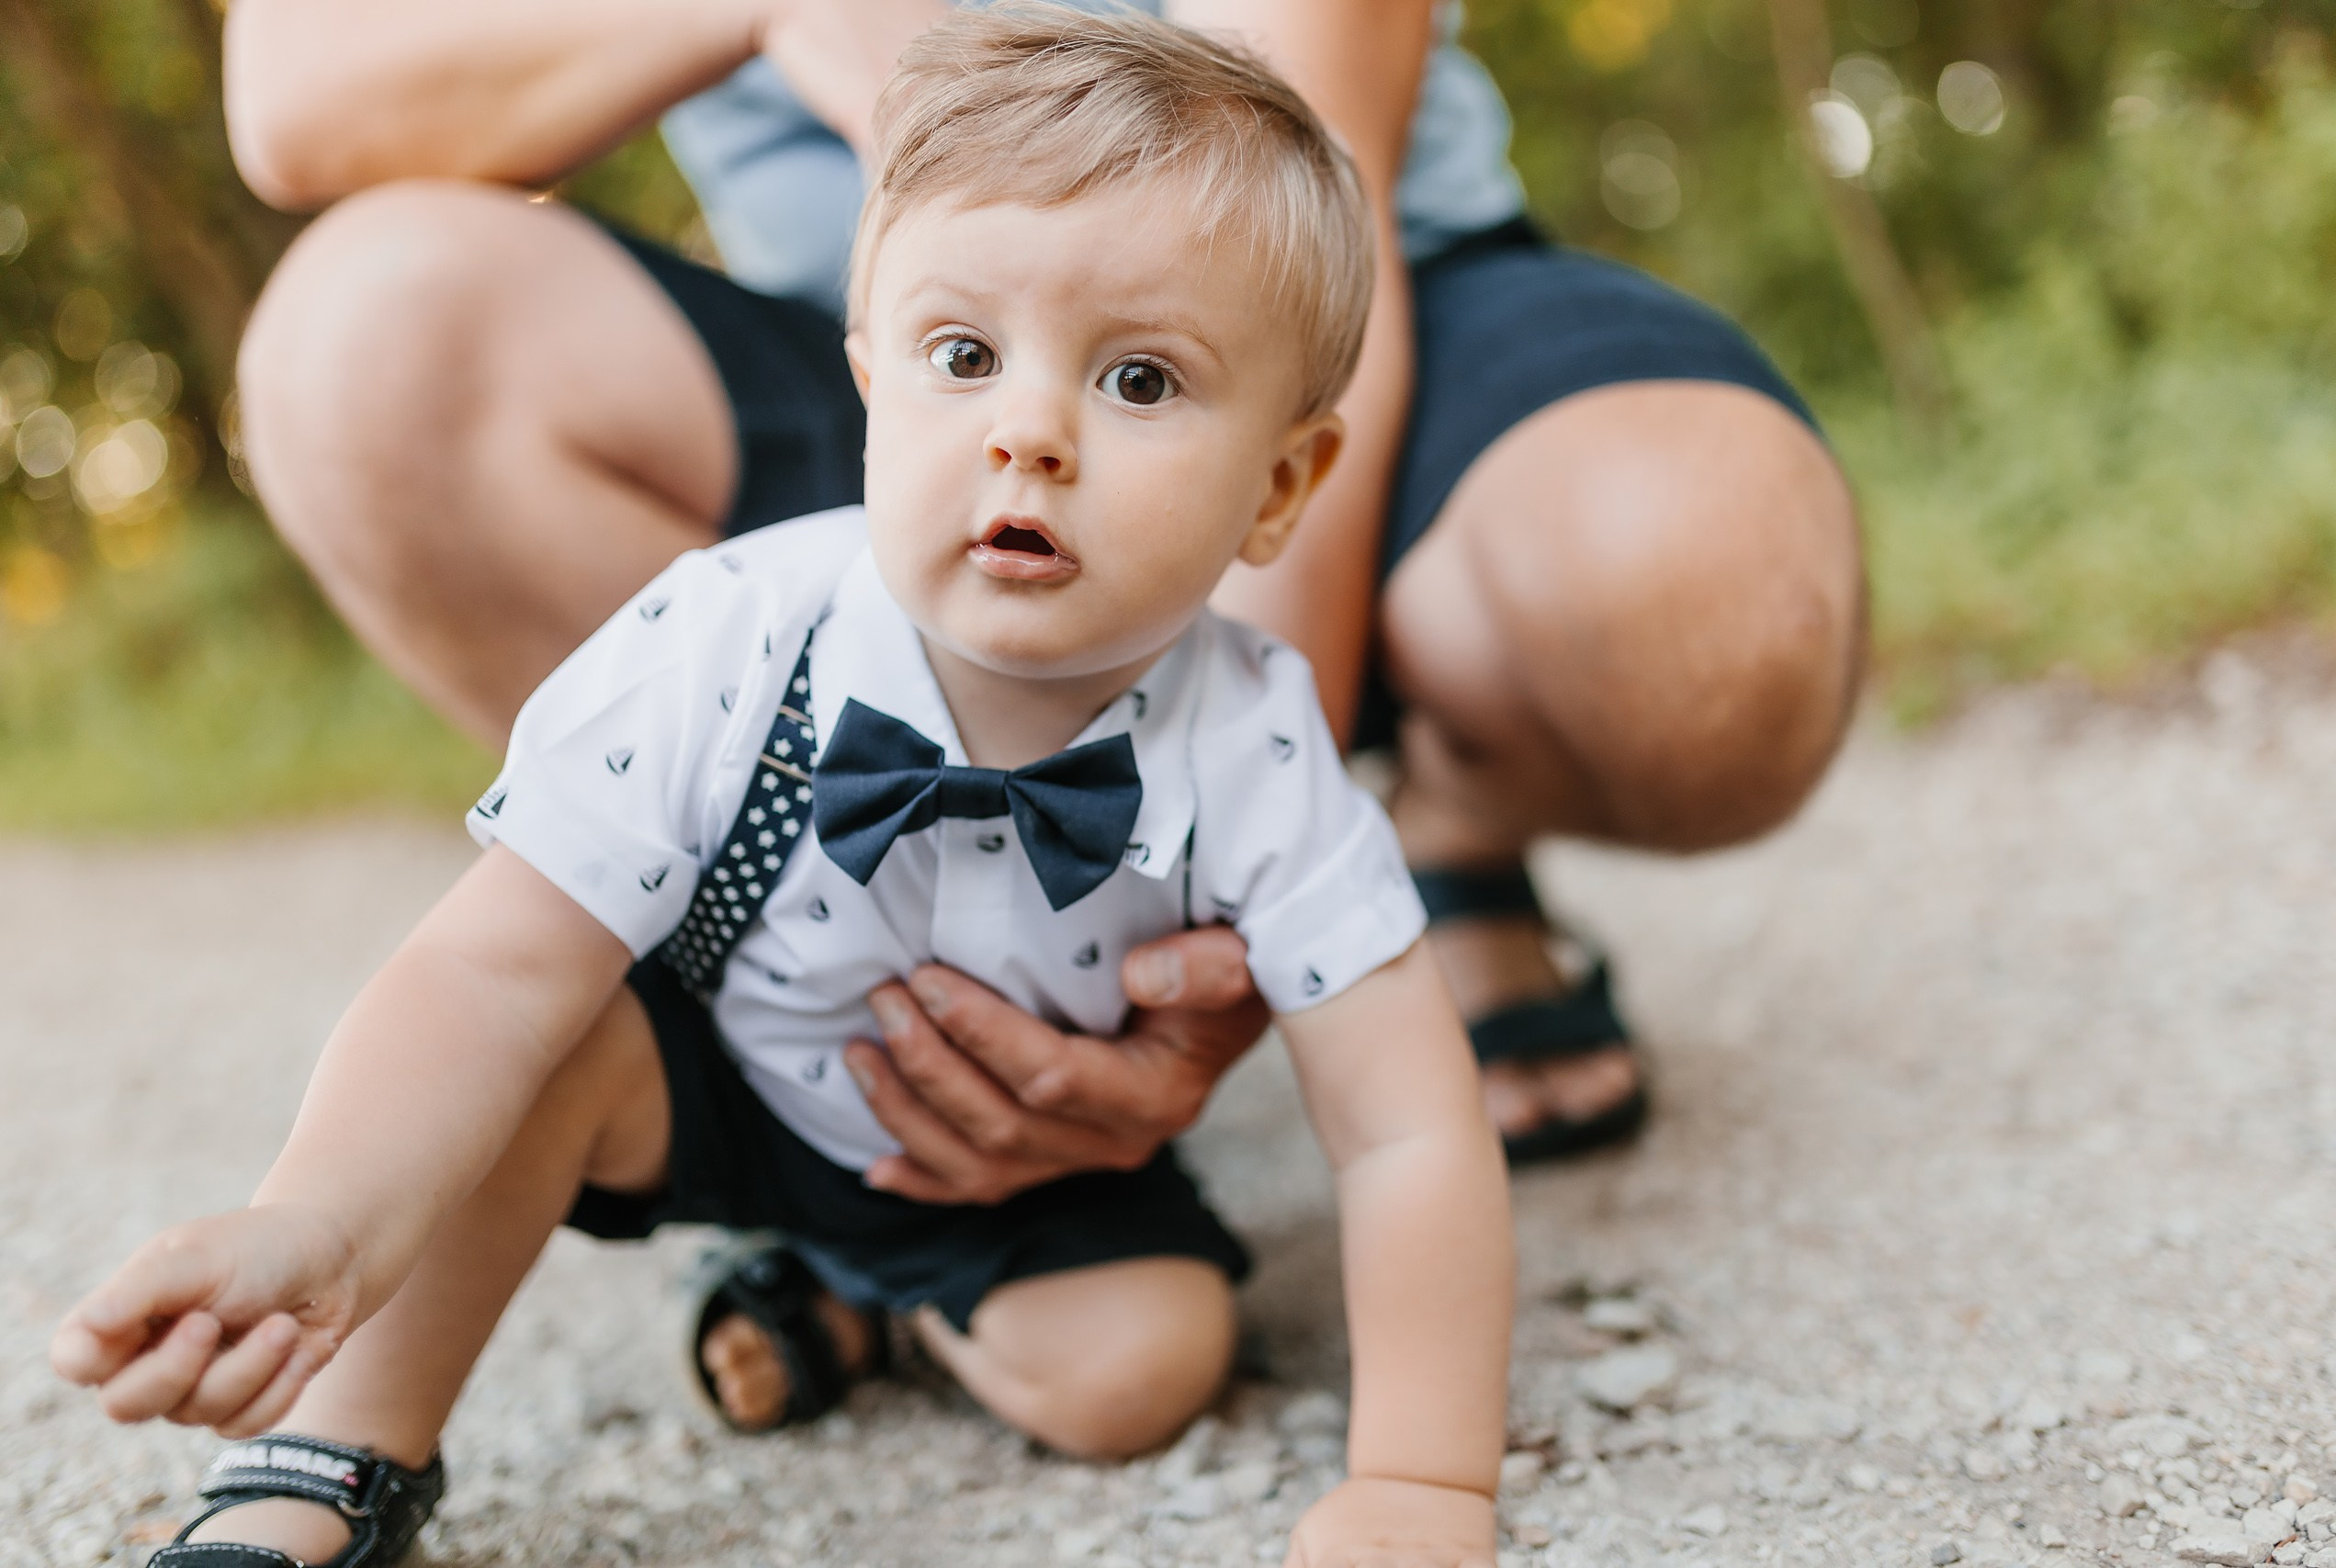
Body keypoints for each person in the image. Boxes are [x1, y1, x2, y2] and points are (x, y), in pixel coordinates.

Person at [53, 17, 1516, 1564]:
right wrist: (319, 1220)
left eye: (1141, 378)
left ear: (1283, 485)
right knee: (538, 1049)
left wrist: (1424, 1482)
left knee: (1145, 1360)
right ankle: (332, 1456)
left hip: (1002, 1143)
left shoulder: (1259, 743)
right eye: (964, 356)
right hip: (718, 1072)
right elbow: (484, 968)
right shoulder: (730, 630)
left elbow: (1408, 1129)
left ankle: (860, 1302)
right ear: (873, 384)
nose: (1030, 430)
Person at [221, 0, 1863, 1200]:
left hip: (1323, 291)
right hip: (909, 368)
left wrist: (1209, 955)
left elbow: (1312, 173)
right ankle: (820, 1050)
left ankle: (1424, 844)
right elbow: (299, 93)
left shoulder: (1281, 400)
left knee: (1716, 609)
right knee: (363, 345)